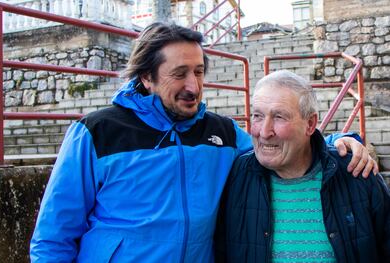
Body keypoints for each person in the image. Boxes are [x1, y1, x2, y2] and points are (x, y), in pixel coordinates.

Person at [30, 23, 377, 262]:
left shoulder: (221, 133)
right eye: (179, 74)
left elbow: (278, 146)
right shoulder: (96, 133)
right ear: (147, 77)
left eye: (198, 72)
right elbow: (52, 238)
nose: (193, 86)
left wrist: (341, 141)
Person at [214, 70, 390, 262]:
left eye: (279, 117)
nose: (264, 132)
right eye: (257, 116)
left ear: (310, 124)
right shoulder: (236, 177)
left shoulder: (357, 173)